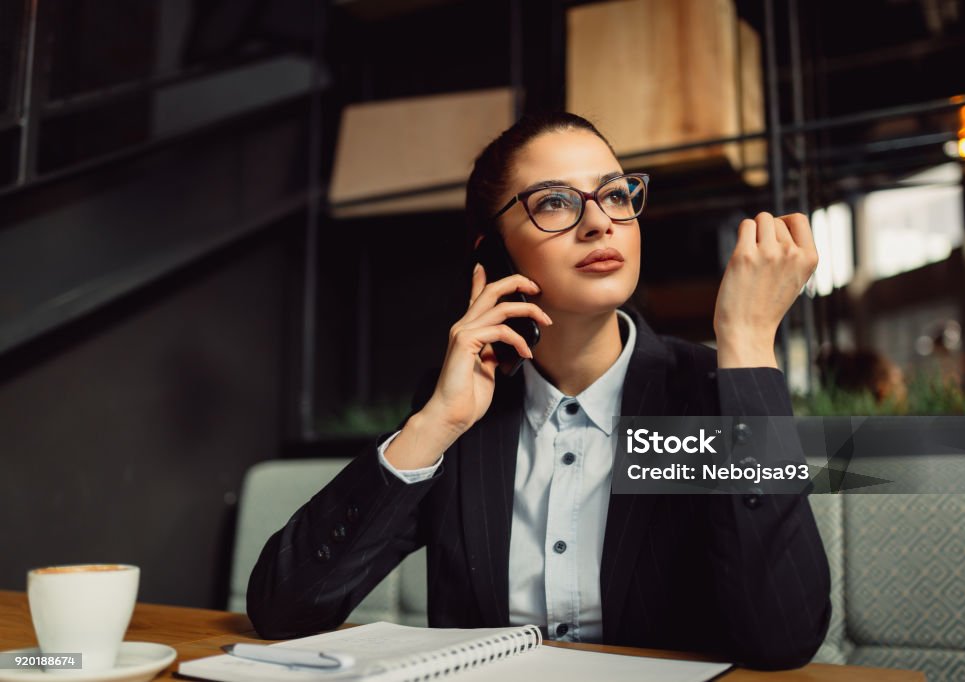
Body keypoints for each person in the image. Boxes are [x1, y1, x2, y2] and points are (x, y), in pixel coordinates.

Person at [247, 113, 831, 670]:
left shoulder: (705, 392)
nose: (600, 221)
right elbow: (284, 609)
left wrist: (750, 342)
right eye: (555, 201)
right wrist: (435, 424)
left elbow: (783, 637)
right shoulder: (467, 410)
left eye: (616, 194)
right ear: (495, 252)